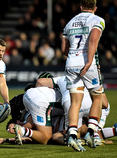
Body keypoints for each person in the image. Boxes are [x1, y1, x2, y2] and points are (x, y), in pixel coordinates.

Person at [61, 0, 105, 151]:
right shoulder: (97, 20)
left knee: (75, 102)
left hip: (71, 62)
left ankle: (72, 135)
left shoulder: (69, 23)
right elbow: (93, 39)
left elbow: (63, 49)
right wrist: (89, 60)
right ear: (95, 8)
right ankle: (91, 132)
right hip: (87, 62)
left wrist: (74, 57)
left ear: (80, 7)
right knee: (98, 97)